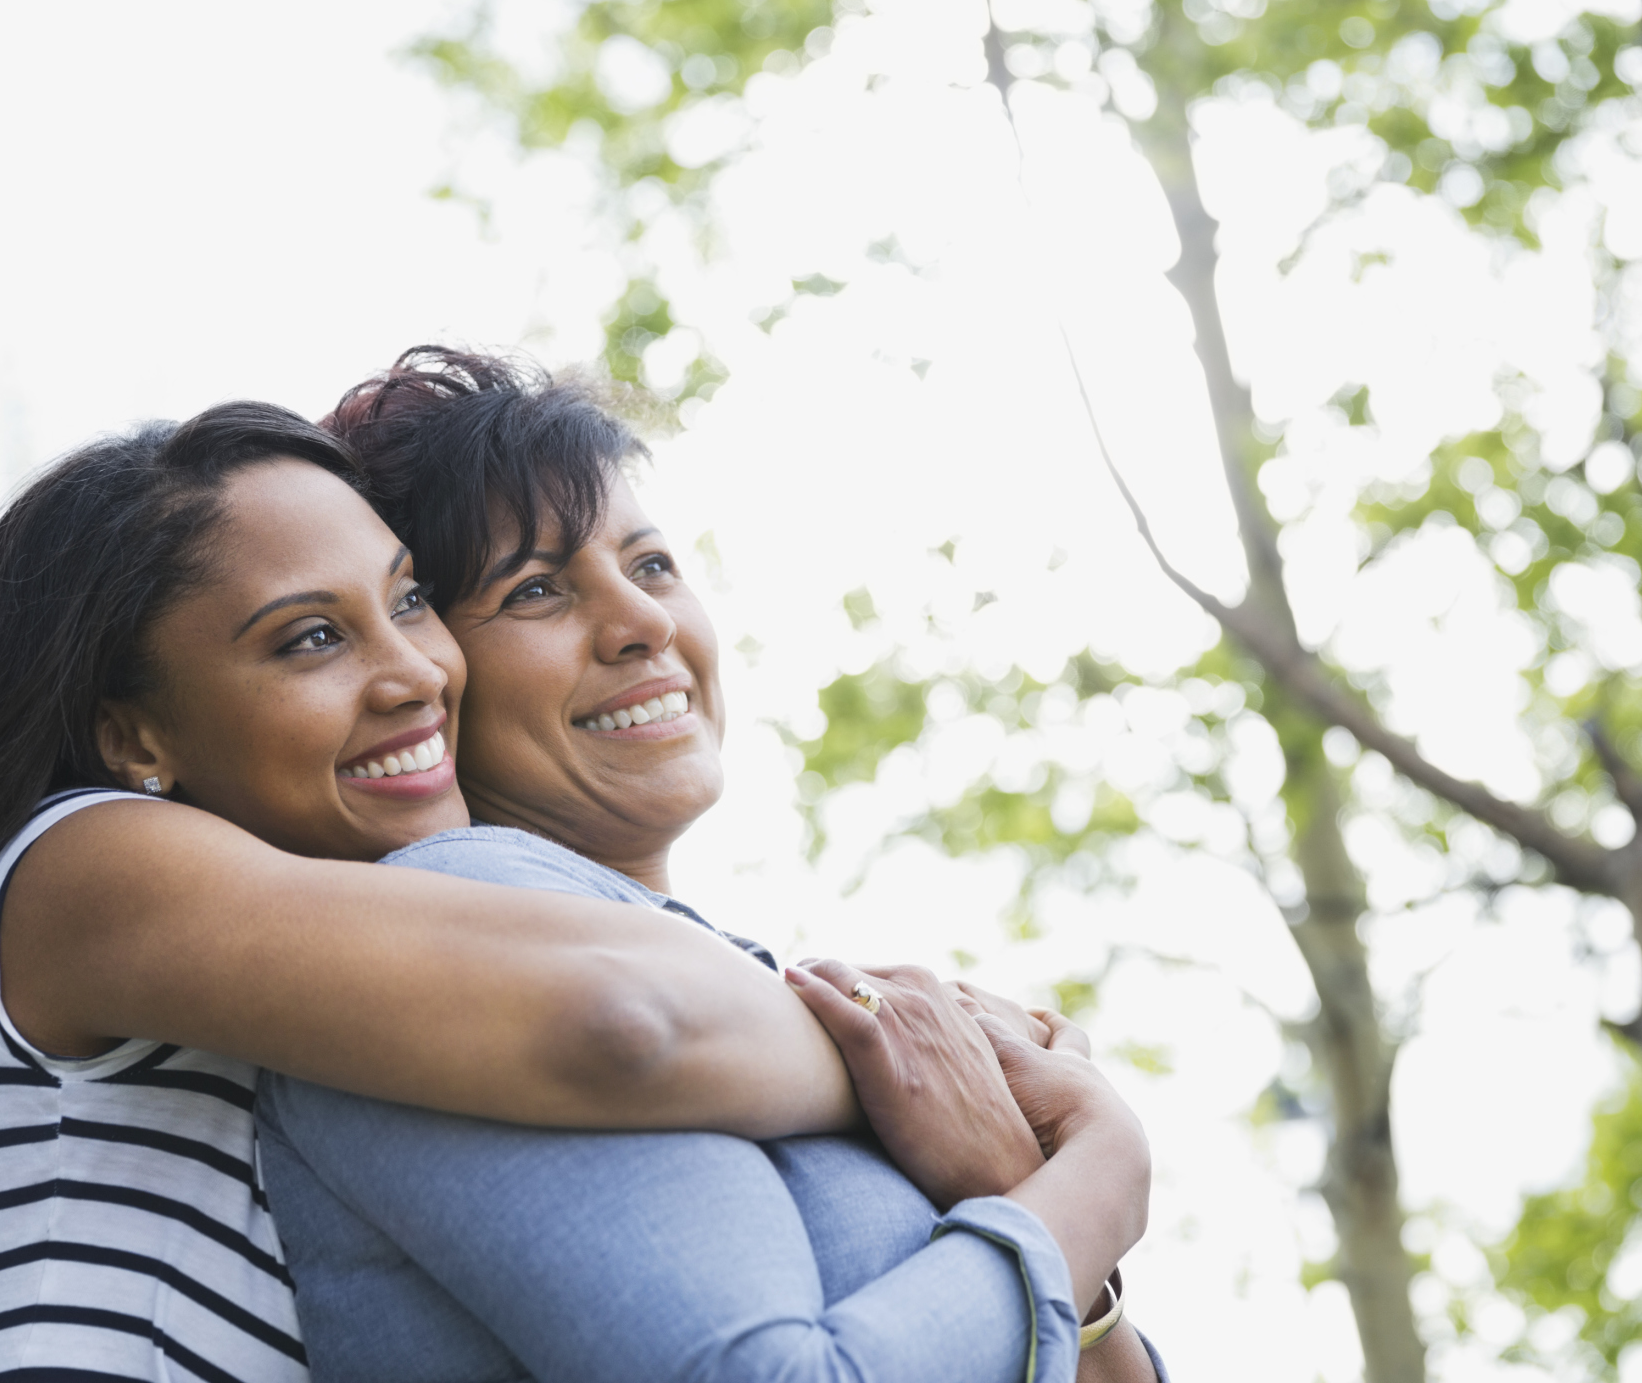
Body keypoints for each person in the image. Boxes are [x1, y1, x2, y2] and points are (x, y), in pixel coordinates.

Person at [0, 403, 932, 1381]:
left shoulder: (293, 964)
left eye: (408, 600)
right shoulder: (79, 864)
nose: (417, 671)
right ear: (133, 733)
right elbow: (619, 1018)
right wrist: (924, 1073)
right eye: (311, 636)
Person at [253, 349, 1163, 1382]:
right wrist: (1099, 1178)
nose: (644, 623)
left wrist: (1014, 1190)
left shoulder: (714, 972)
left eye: (650, 566)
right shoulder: (448, 936)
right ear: (424, 665)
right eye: (537, 589)